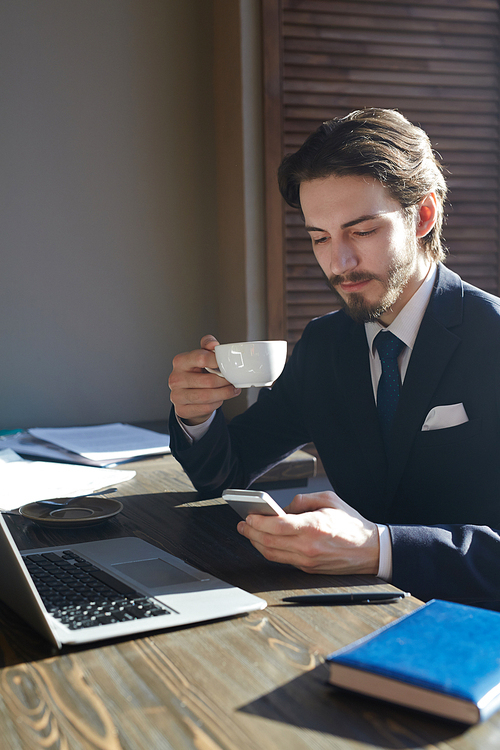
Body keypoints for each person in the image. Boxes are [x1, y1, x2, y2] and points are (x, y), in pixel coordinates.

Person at [168, 108, 500, 609]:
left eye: (361, 231)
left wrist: (377, 549)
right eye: (320, 237)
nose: (337, 263)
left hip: (474, 634)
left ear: (424, 215)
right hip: (344, 616)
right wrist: (196, 415)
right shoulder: (326, 345)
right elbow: (225, 472)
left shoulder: (492, 336)